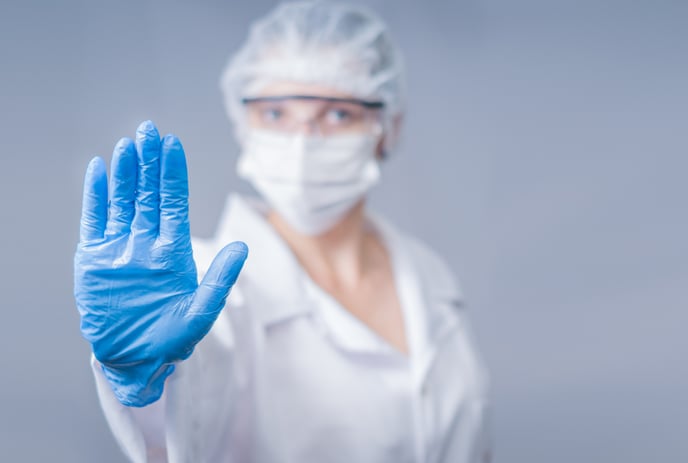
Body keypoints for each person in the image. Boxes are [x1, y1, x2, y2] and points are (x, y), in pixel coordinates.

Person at [74, 2, 490, 462]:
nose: (303, 140)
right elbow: (188, 411)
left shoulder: (427, 275)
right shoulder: (206, 289)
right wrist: (144, 369)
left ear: (387, 127)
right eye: (275, 113)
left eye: (337, 114)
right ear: (244, 124)